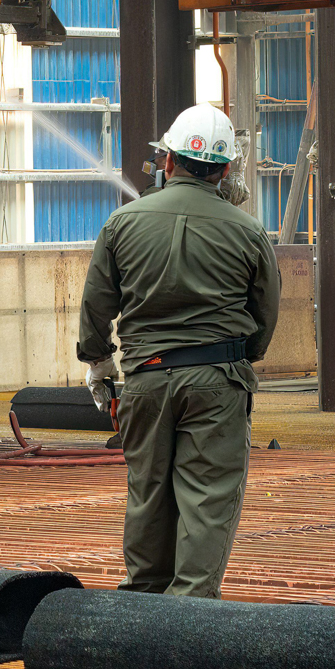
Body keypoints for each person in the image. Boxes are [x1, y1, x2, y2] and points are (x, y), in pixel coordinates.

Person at [76, 102, 281, 598]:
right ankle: (186, 617)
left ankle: (142, 605)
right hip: (217, 380)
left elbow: (96, 306)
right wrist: (237, 357)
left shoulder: (122, 223)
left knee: (147, 494)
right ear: (226, 169)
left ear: (168, 162)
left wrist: (100, 368)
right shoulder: (248, 230)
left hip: (145, 379)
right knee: (207, 501)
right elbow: (265, 315)